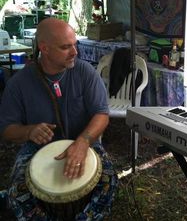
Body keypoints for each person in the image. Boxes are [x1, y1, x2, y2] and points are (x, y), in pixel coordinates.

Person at [0, 18, 117, 220]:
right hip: (37, 148)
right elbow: (7, 129)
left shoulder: (85, 72)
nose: (75, 52)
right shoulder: (19, 83)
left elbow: (101, 114)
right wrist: (28, 131)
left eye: (75, 44)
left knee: (109, 182)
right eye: (66, 47)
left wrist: (83, 142)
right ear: (44, 48)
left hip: (83, 140)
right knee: (17, 192)